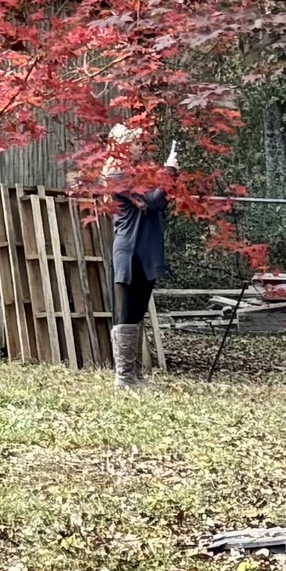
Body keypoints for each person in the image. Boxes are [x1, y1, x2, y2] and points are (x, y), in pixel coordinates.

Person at [104, 127, 176, 389]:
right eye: (135, 142)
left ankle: (134, 376)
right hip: (130, 250)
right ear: (123, 144)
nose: (141, 147)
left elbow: (160, 201)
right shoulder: (117, 176)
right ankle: (124, 377)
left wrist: (167, 177)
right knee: (127, 312)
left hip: (147, 250)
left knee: (137, 313)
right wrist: (170, 170)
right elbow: (154, 201)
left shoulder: (139, 176)